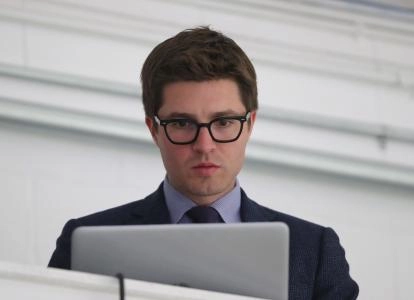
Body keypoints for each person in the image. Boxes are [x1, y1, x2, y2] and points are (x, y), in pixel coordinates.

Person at [48, 26, 359, 299]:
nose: (204, 145)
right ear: (154, 129)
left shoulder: (314, 251)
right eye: (182, 124)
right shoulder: (83, 242)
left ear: (249, 124)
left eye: (223, 122)